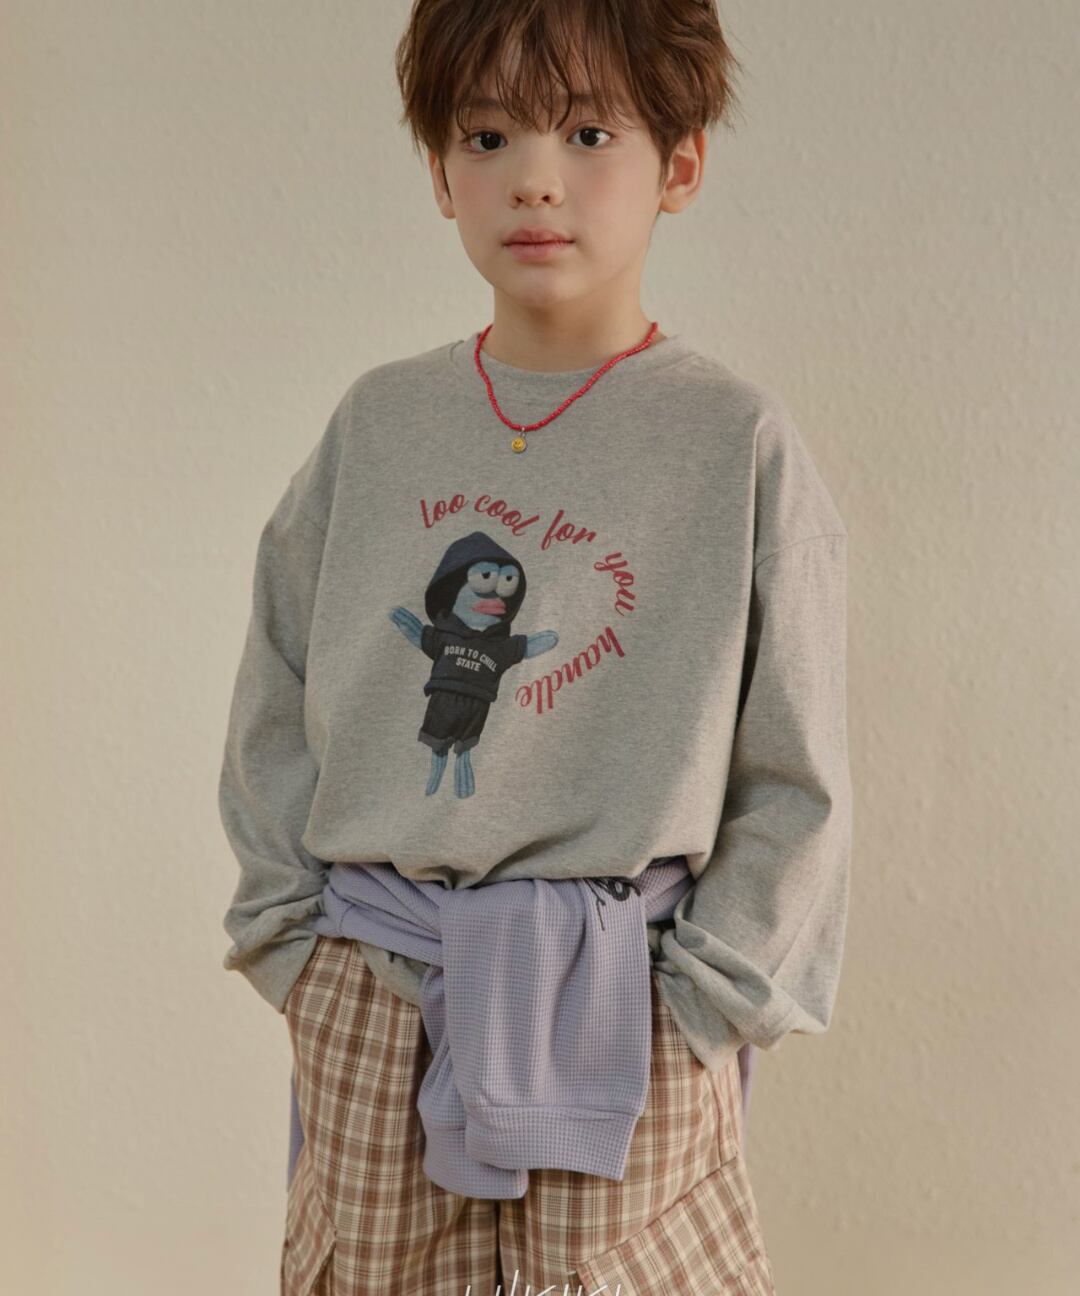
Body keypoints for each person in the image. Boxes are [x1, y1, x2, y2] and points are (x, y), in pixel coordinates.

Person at [218, 2, 853, 1292]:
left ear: (681, 164)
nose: (536, 178)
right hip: (376, 982)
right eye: (489, 135)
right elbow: (277, 680)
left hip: (627, 999)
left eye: (590, 132)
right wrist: (296, 944)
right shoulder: (380, 420)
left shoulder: (733, 440)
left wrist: (708, 1000)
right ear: (439, 170)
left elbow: (797, 768)